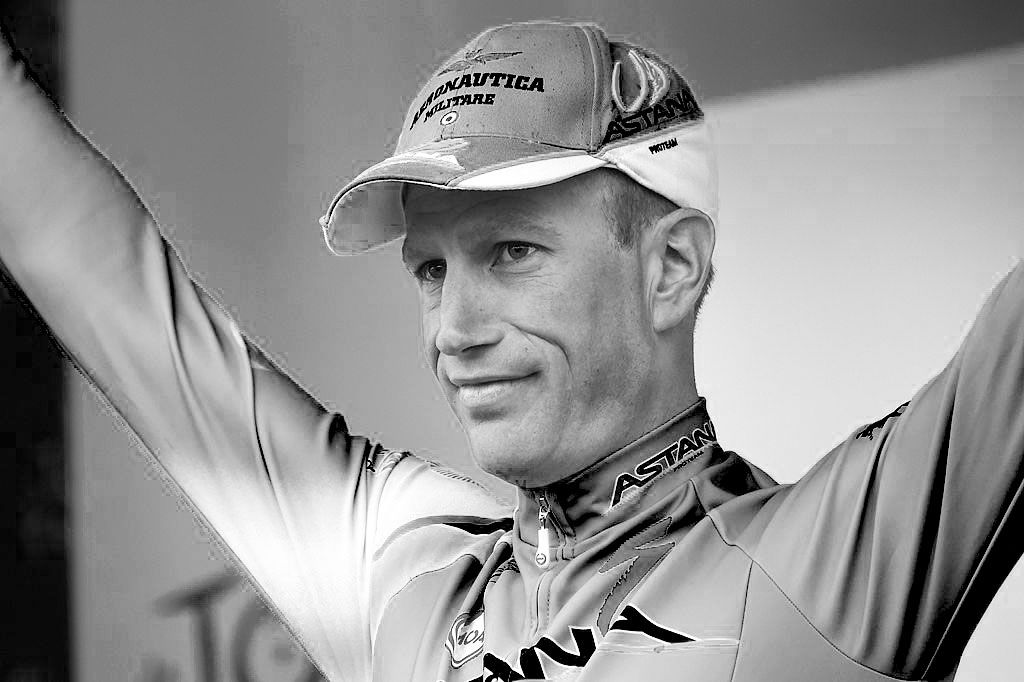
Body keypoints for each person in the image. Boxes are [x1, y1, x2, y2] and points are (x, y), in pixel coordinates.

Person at [1, 18, 1022, 682]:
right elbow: (96, 275)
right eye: (432, 271)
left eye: (512, 253)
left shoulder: (824, 562)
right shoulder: (408, 570)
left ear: (669, 268)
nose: (452, 332)